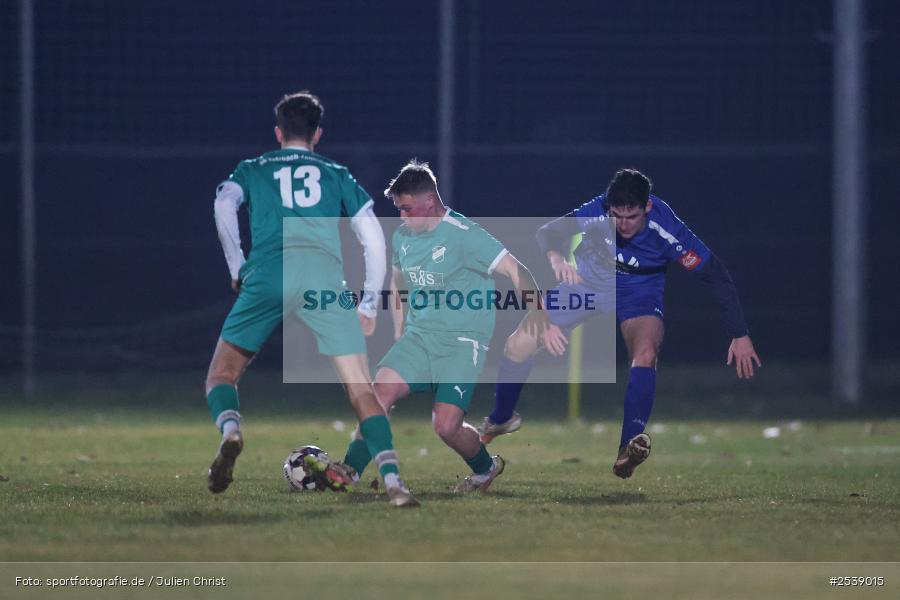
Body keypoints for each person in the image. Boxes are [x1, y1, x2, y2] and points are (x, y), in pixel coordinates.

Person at [205, 91, 418, 507]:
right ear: (317, 133)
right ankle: (394, 483)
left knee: (221, 375)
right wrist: (369, 303)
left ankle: (231, 430)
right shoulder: (335, 172)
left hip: (268, 272)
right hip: (323, 280)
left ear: (278, 132)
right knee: (362, 392)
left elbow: (223, 204)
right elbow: (373, 236)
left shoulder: (254, 167)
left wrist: (236, 266)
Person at [480, 168, 762, 478]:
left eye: (632, 217)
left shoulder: (666, 228)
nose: (623, 225)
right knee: (518, 343)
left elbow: (715, 275)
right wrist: (557, 259)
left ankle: (628, 448)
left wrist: (739, 334)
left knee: (646, 352)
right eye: (617, 216)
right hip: (584, 285)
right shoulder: (598, 210)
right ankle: (501, 417)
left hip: (638, 293)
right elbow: (548, 232)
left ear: (648, 208)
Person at [340, 160, 547, 492]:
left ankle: (485, 469)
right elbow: (397, 283)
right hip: (419, 338)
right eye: (398, 210)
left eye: (407, 209)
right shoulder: (404, 237)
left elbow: (515, 269)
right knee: (378, 393)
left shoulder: (466, 235)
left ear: (429, 203)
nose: (402, 217)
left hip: (462, 343)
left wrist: (537, 310)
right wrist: (399, 328)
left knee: (445, 425)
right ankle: (349, 469)